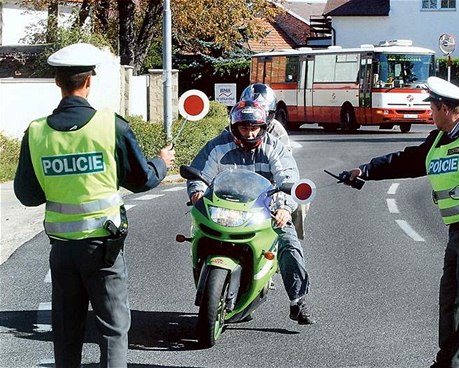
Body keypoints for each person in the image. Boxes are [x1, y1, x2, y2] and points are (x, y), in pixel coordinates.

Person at [342, 77, 459, 368]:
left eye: (433, 107)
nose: (430, 112)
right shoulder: (441, 139)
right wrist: (365, 170)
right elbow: (409, 160)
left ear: (448, 108)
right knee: (451, 299)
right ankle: (449, 362)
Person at [13, 43, 175, 367]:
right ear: (90, 81)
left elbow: (27, 195)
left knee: (67, 332)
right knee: (113, 330)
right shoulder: (109, 126)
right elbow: (141, 179)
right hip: (103, 249)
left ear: (57, 82)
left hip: (62, 250)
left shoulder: (36, 133)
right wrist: (162, 163)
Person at [186, 100, 315, 325]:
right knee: (199, 232)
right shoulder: (217, 145)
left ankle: (297, 301)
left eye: (254, 127)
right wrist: (197, 191)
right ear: (234, 127)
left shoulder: (275, 147)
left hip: (267, 210)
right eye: (244, 127)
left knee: (289, 243)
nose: (249, 132)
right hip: (225, 209)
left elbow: (288, 178)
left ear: (263, 127)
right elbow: (200, 173)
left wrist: (284, 207)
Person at [240, 83, 309, 240]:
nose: (252, 122)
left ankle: (289, 241)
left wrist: (283, 205)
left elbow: (284, 169)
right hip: (240, 186)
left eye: (262, 112)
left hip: (270, 186)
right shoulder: (235, 127)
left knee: (298, 204)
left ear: (270, 113)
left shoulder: (276, 131)